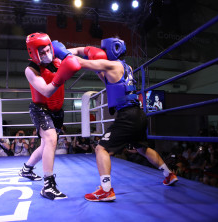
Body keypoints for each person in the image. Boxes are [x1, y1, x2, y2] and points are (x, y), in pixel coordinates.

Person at [68, 37, 178, 202]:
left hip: (127, 116)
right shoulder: (128, 67)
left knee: (101, 149)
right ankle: (168, 174)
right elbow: (110, 80)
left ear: (110, 50)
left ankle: (106, 190)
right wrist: (89, 55)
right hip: (139, 114)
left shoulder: (111, 65)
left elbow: (81, 63)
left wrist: (60, 54)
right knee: (142, 148)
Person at [18, 32, 81, 200]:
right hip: (40, 108)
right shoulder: (31, 70)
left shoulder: (57, 55)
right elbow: (46, 90)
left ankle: (26, 169)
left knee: (47, 144)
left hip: (57, 110)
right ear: (33, 53)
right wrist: (63, 73)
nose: (47, 54)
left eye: (48, 50)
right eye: (42, 52)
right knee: (51, 140)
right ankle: (48, 185)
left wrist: (93, 51)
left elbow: (79, 52)